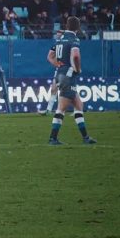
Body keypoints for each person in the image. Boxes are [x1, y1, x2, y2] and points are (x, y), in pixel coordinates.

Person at [46, 17, 97, 145]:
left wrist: (58, 65)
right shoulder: (74, 40)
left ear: (67, 26)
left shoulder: (59, 40)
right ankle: (52, 138)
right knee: (61, 108)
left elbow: (49, 57)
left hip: (60, 74)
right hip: (68, 76)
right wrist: (78, 69)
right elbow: (75, 55)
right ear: (78, 28)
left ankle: (86, 137)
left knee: (79, 105)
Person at [37, 30, 64, 116]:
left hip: (67, 70)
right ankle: (48, 110)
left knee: (68, 90)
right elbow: (49, 57)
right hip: (60, 70)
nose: (57, 34)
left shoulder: (68, 44)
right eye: (57, 33)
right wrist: (57, 65)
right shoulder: (56, 45)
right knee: (54, 89)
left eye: (59, 33)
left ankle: (77, 109)